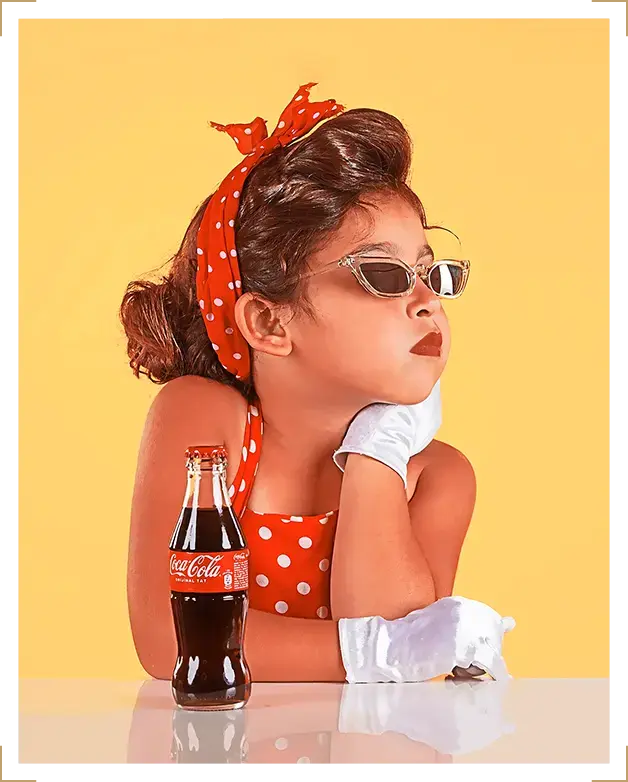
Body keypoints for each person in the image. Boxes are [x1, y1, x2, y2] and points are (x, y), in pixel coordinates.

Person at [121, 82, 512, 683]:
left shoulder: (438, 478)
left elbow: (393, 638)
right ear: (268, 321)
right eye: (383, 273)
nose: (429, 302)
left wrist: (377, 451)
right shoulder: (205, 420)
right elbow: (176, 638)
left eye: (432, 271)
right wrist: (381, 653)